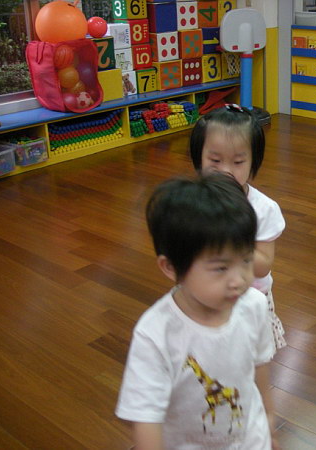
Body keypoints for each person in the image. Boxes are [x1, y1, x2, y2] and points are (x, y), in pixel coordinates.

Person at [116, 173, 277, 449]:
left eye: (246, 260)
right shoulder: (156, 334)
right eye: (221, 268)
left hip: (252, 439)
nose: (239, 280)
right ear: (171, 267)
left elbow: (259, 365)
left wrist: (269, 419)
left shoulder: (254, 305)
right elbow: (145, 419)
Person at [190, 105, 287, 350]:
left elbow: (263, 267)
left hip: (249, 300)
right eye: (215, 160)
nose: (225, 171)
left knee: (252, 358)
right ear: (198, 158)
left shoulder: (263, 209)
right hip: (205, 295)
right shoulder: (192, 203)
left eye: (238, 162)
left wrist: (227, 240)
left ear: (253, 162)